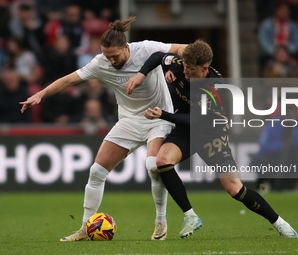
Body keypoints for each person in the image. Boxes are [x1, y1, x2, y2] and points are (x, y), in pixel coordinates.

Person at [20, 16, 187, 241]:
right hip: (128, 121)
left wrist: (185, 68)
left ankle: (160, 222)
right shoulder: (100, 62)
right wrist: (40, 94)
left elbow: (183, 49)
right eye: (106, 55)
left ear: (126, 48)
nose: (110, 60)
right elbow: (69, 80)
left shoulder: (147, 49)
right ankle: (84, 228)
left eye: (114, 56)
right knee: (96, 172)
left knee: (152, 167)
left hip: (158, 118)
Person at [126, 40, 298, 239]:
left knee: (235, 189)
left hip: (210, 134)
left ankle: (279, 223)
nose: (186, 72)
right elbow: (158, 57)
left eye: (190, 69)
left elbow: (196, 119)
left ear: (205, 69)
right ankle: (190, 216)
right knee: (162, 161)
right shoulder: (181, 64)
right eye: (184, 66)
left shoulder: (215, 87)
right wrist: (141, 75)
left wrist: (162, 114)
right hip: (185, 130)